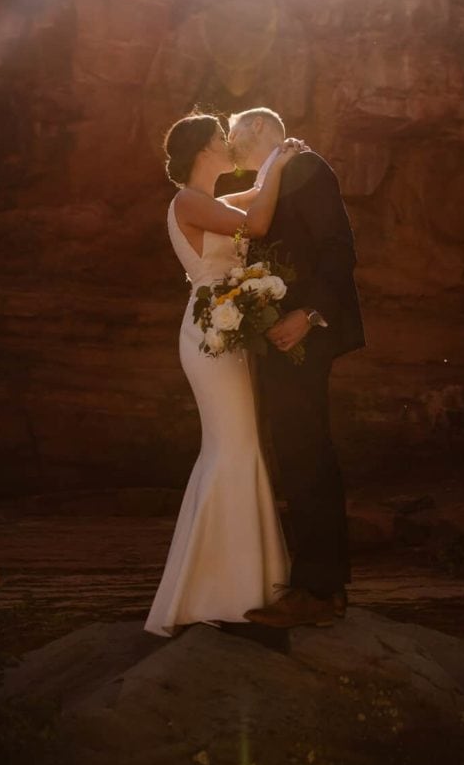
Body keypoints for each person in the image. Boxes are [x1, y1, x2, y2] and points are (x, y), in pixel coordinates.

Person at [144, 113, 302, 637]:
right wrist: (279, 162)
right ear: (200, 150)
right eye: (219, 138)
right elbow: (256, 223)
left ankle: (235, 587)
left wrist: (279, 155)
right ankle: (224, 593)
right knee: (234, 448)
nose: (226, 143)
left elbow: (257, 194)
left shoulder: (208, 201)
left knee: (238, 446)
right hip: (208, 333)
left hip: (222, 331)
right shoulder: (187, 201)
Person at [227, 107, 365, 629]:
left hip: (304, 332)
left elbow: (338, 247)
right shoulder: (270, 177)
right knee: (295, 450)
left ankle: (320, 592)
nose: (232, 143)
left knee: (307, 451)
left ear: (262, 127)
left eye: (236, 133)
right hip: (278, 339)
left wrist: (308, 315)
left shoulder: (306, 168)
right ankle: (316, 586)